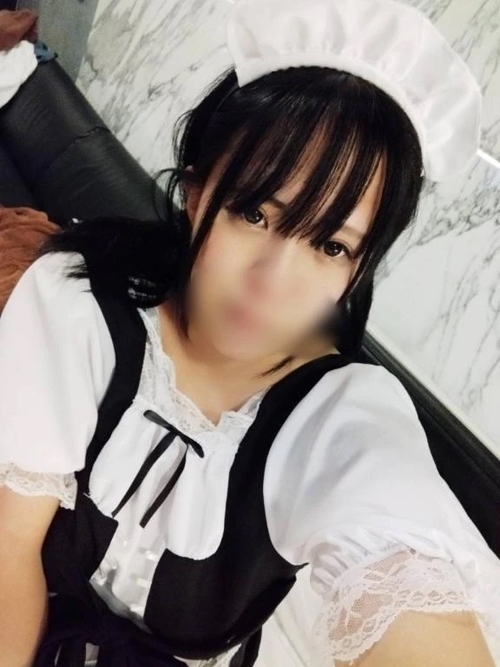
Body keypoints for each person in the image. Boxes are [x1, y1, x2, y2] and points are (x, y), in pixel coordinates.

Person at [1, 0, 499, 665]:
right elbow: (11, 544)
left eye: (330, 245)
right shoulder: (78, 303)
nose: (273, 282)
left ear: (358, 269)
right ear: (196, 193)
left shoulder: (344, 420)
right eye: (255, 214)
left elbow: (408, 580)